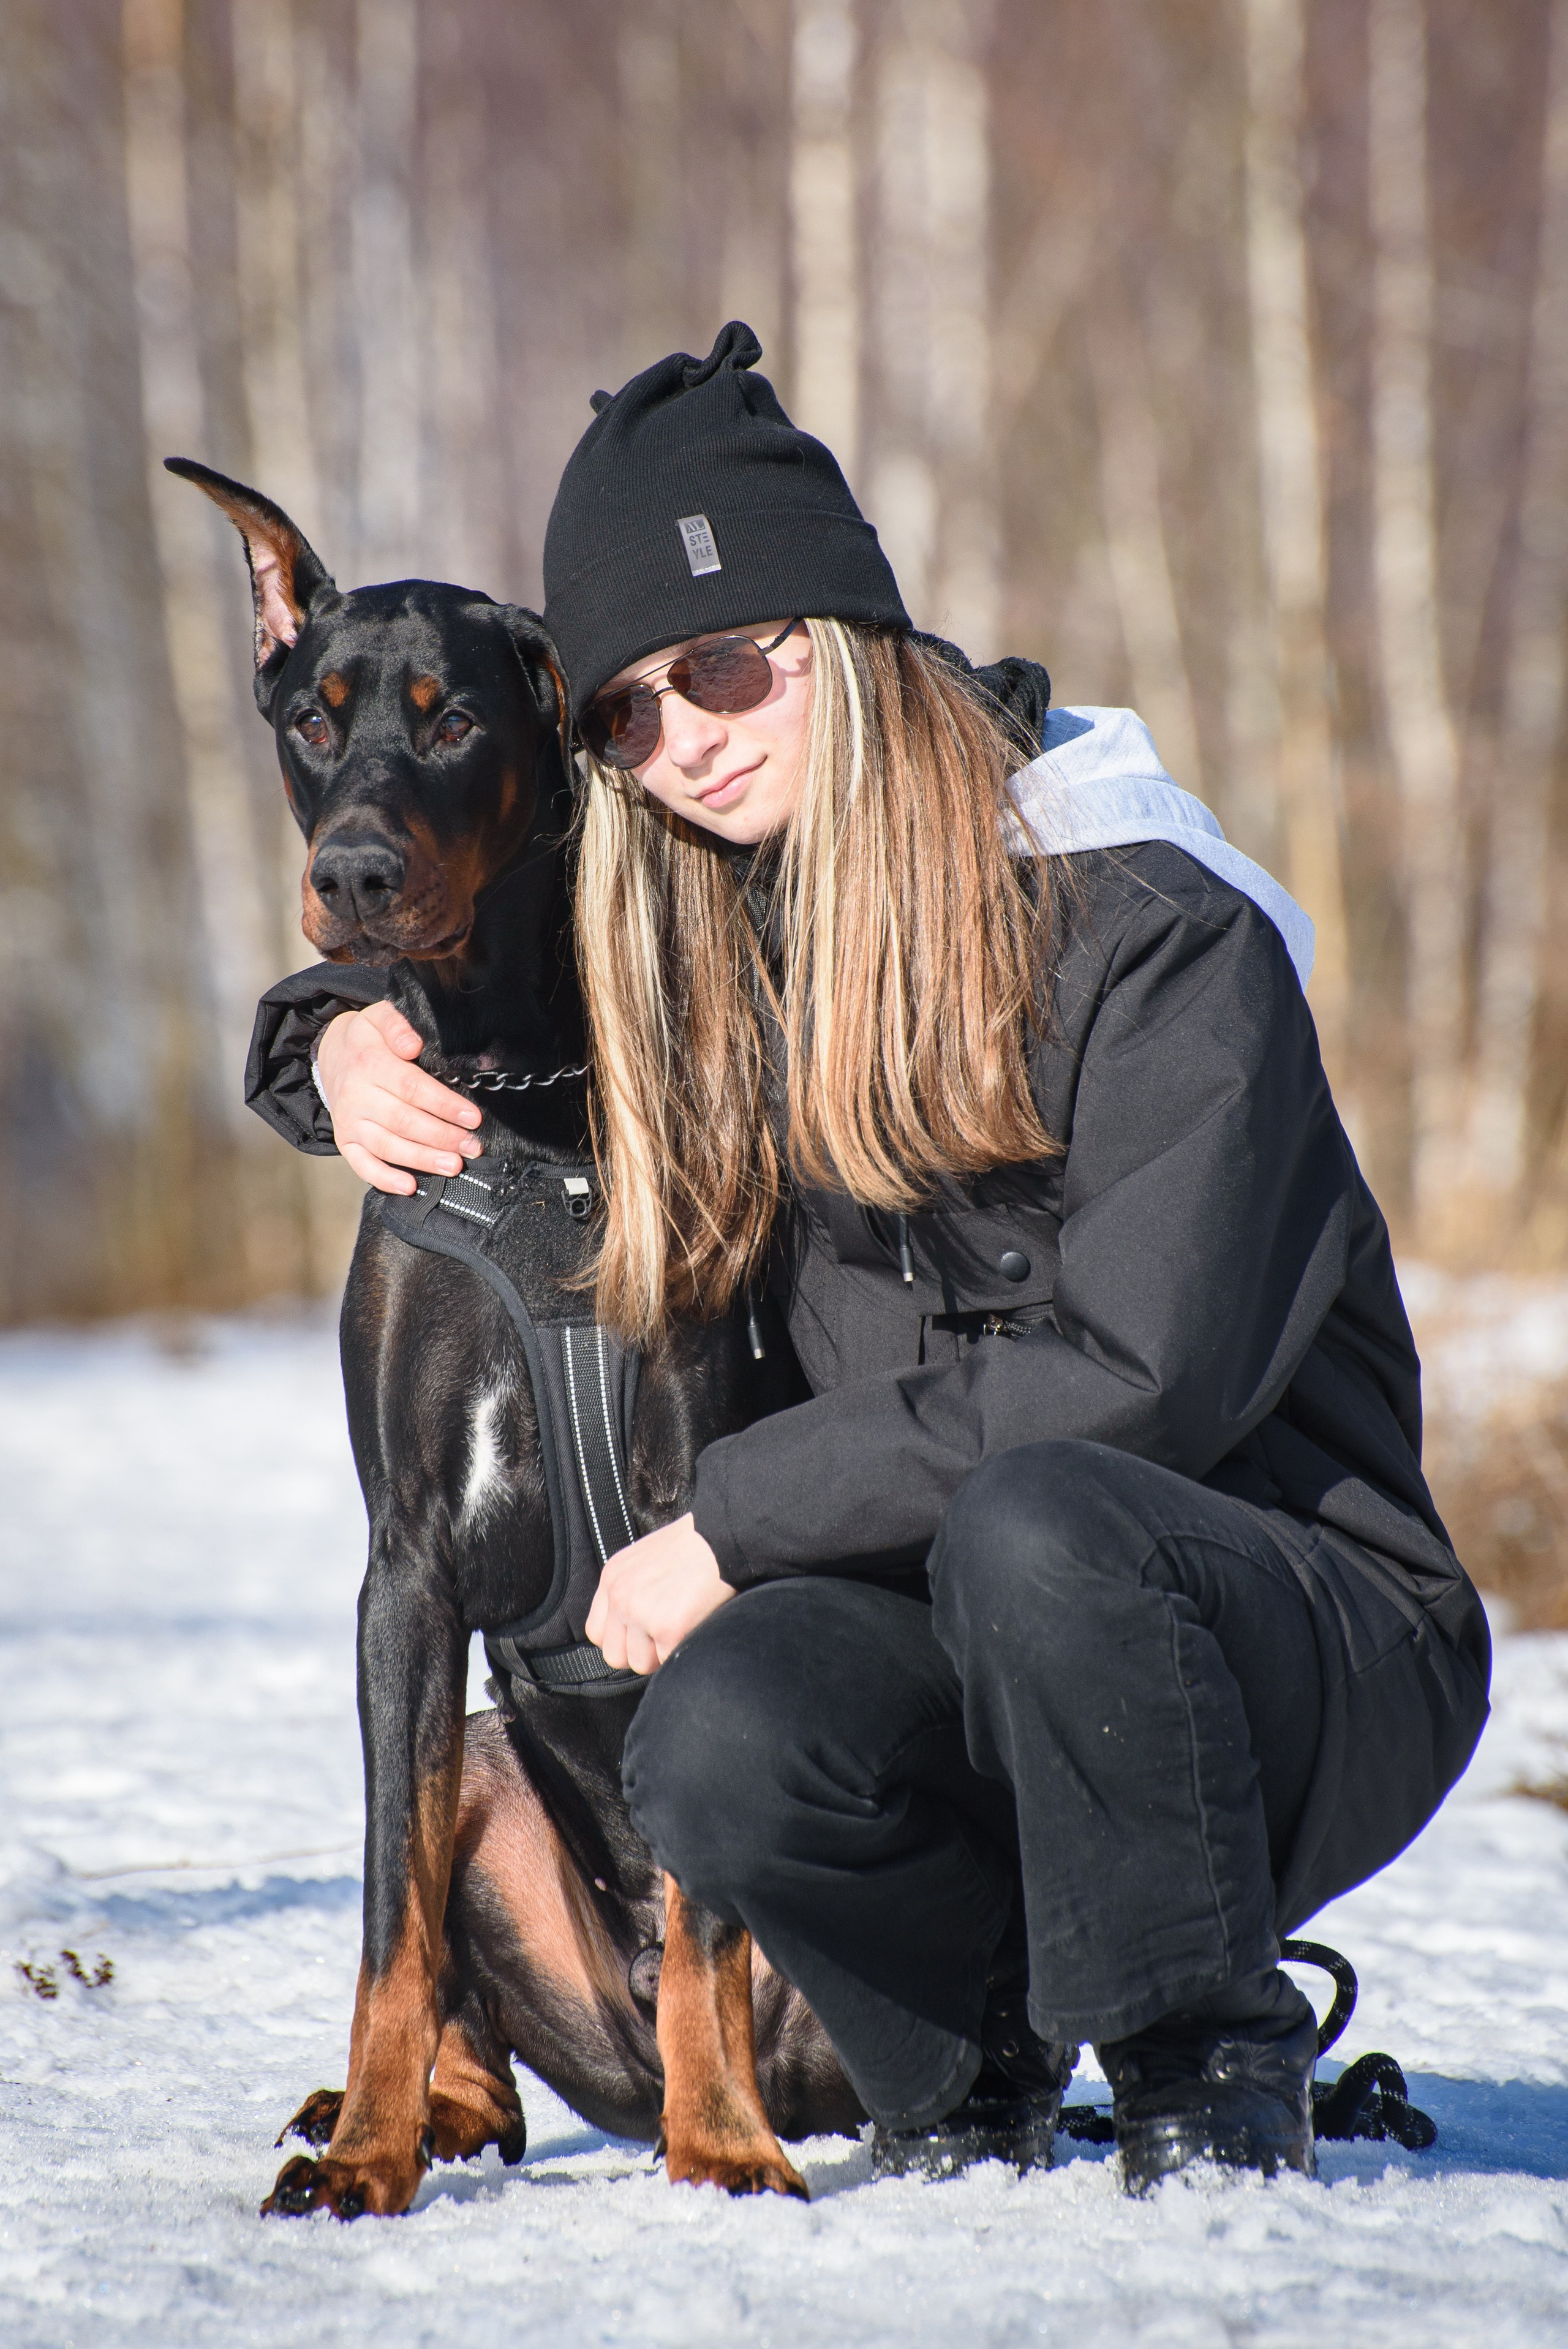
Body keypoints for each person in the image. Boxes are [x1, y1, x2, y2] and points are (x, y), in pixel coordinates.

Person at [256, 322, 1489, 2192]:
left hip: (1295, 1631)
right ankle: (967, 2052)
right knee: (721, 1726)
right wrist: (327, 1038)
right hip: (990, 1639)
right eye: (628, 714)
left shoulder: (1152, 927)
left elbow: (1139, 1376)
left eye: (723, 665)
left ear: (837, 629)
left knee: (1036, 1521)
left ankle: (1203, 2048)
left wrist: (737, 1516)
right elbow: (505, 962)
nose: (687, 739)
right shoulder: (741, 927)